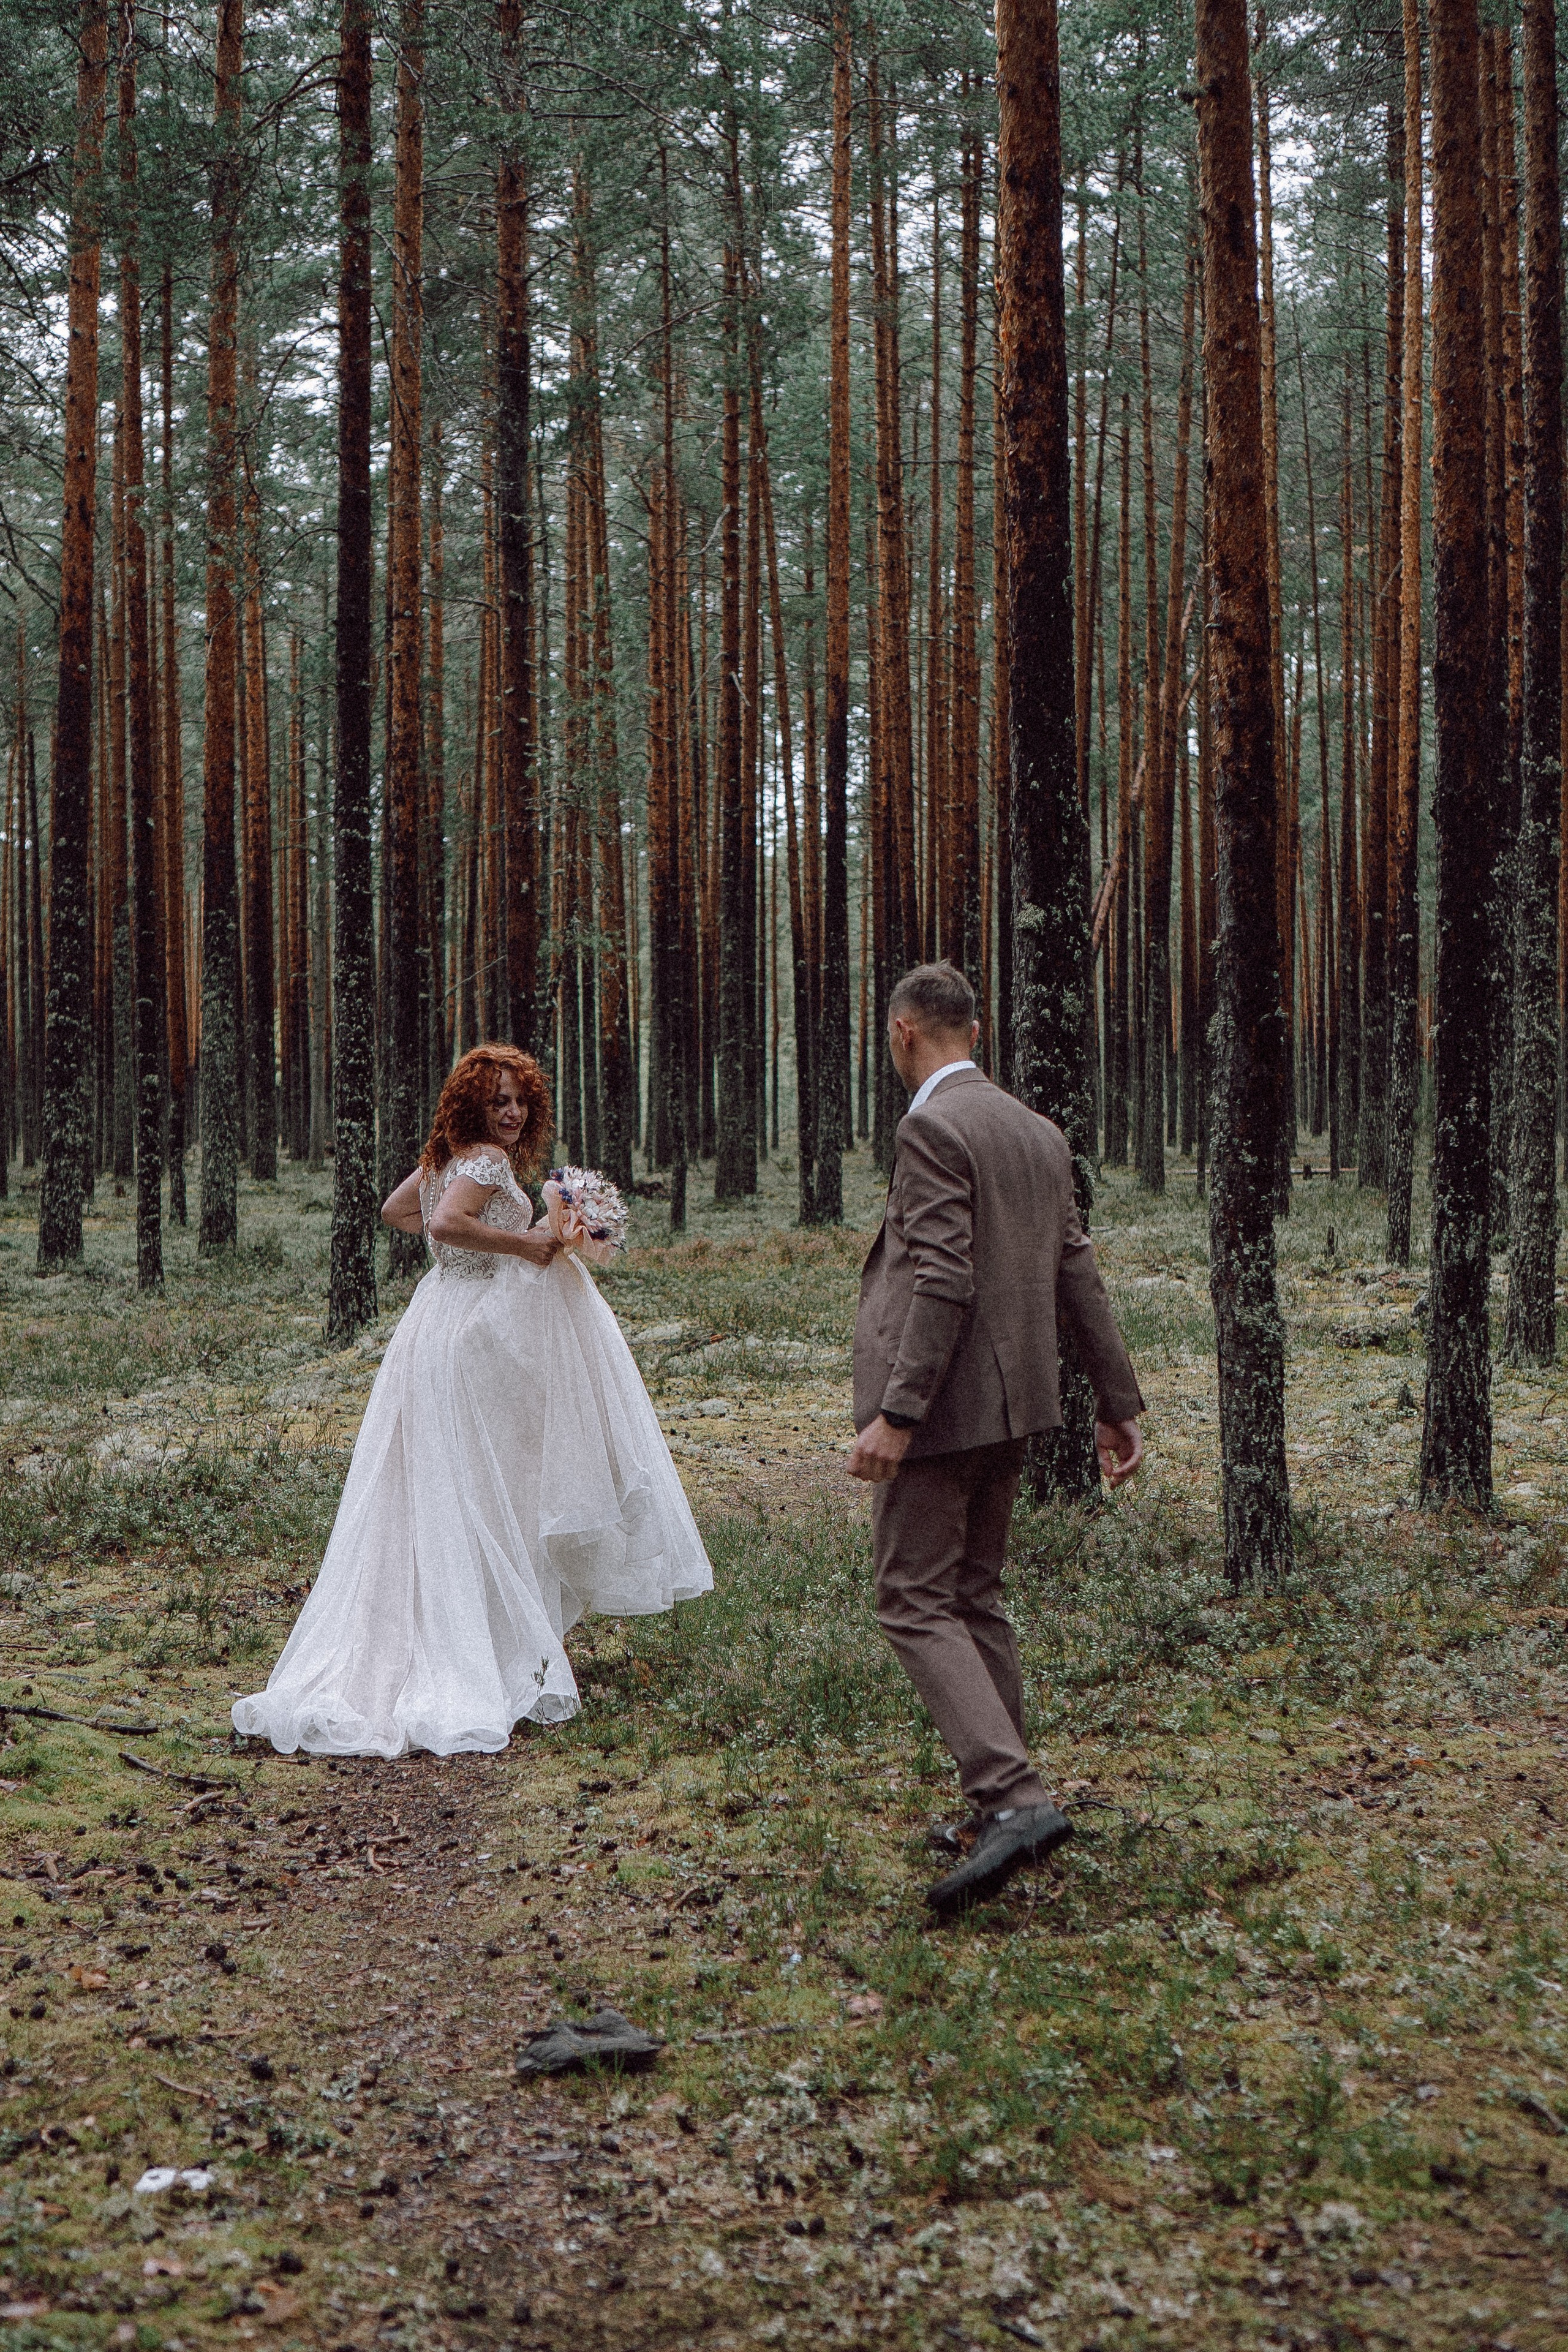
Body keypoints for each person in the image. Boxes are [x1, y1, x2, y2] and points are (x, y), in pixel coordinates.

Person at [233, 1046, 712, 1758]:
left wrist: (471, 1248)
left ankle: (466, 1628)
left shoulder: (451, 1160)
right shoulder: (482, 1162)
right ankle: (479, 1645)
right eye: (499, 1101)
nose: (512, 1113)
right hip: (471, 1334)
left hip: (437, 1323)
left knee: (446, 1484)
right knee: (486, 1485)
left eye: (519, 1100)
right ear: (473, 1108)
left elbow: (401, 1210)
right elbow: (440, 1225)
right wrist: (515, 1248)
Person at [848, 963, 1144, 1915]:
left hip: (943, 1411)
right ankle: (1007, 1804)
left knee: (911, 1599)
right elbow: (1077, 1271)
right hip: (1018, 1409)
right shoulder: (1037, 1130)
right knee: (973, 1594)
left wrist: (897, 1414)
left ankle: (1012, 1800)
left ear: (902, 1033)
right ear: (972, 1028)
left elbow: (941, 1279)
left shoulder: (930, 1127)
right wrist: (1116, 1398)